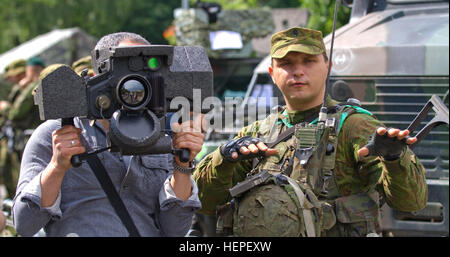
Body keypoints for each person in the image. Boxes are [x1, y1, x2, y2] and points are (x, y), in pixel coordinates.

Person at [193, 27, 427, 237]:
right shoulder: (257, 132)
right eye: (286, 64)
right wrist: (221, 159)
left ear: (328, 66)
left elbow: (411, 202)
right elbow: (205, 203)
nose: (298, 71)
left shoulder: (354, 126)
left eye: (308, 61)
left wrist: (395, 159)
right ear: (272, 73)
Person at [12, 32, 204, 237]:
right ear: (97, 78)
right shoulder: (54, 135)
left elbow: (175, 230)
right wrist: (57, 167)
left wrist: (181, 165)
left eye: (145, 77)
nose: (135, 86)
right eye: (127, 72)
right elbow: (25, 224)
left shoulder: (164, 136)